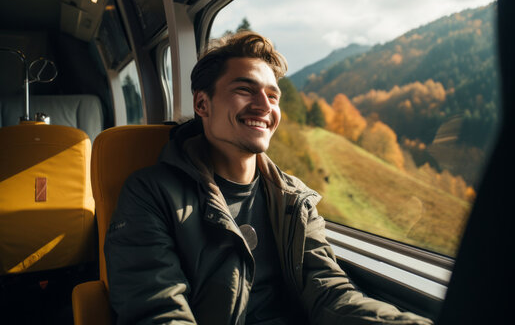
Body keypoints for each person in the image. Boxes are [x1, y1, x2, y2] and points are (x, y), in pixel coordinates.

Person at [104, 31, 433, 325]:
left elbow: (330, 294)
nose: (264, 106)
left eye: (273, 96)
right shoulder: (151, 194)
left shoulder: (295, 199)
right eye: (245, 90)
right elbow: (158, 310)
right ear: (202, 104)